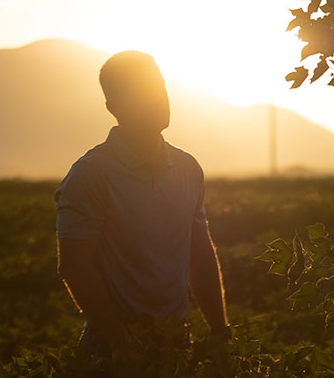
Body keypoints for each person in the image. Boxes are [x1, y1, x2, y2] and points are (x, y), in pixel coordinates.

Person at [55, 50, 229, 362]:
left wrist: (219, 330)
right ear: (114, 108)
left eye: (160, 87)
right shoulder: (90, 175)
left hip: (177, 344)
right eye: (141, 92)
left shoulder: (187, 168)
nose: (158, 98)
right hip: (109, 354)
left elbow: (200, 254)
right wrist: (122, 343)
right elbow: (74, 266)